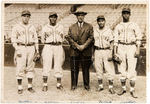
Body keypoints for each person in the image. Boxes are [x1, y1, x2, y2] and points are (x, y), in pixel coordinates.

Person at [114, 8, 142, 98]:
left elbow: (138, 38)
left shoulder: (134, 25)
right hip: (121, 47)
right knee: (121, 67)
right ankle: (123, 88)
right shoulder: (118, 26)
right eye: (124, 13)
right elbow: (115, 41)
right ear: (122, 14)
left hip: (131, 46)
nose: (126, 15)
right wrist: (115, 52)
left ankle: (132, 90)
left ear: (130, 14)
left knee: (132, 67)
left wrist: (137, 50)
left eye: (127, 13)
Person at [11, 10, 39, 94]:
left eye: (28, 16)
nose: (26, 18)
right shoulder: (16, 27)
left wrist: (37, 50)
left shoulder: (32, 27)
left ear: (29, 17)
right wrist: (17, 49)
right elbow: (13, 39)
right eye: (24, 16)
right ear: (21, 17)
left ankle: (29, 86)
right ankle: (20, 87)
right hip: (21, 47)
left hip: (31, 48)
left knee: (31, 67)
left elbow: (36, 39)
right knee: (20, 67)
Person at [65, 11, 94, 91]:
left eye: (82, 15)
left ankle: (86, 85)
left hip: (85, 51)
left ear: (84, 16)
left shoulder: (89, 26)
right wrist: (77, 46)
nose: (80, 17)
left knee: (85, 69)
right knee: (74, 68)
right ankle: (74, 84)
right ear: (76, 17)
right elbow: (69, 38)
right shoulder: (71, 27)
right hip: (74, 51)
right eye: (79, 16)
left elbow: (91, 38)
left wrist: (84, 46)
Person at [41, 12, 65, 91]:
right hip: (48, 46)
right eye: (51, 17)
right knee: (46, 65)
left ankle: (58, 84)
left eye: (55, 17)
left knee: (58, 65)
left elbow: (63, 38)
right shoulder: (45, 28)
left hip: (58, 46)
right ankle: (45, 84)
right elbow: (42, 40)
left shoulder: (61, 27)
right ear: (49, 18)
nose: (53, 19)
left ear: (56, 18)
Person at [93, 15, 116, 94]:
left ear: (105, 21)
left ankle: (111, 87)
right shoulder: (95, 31)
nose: (101, 22)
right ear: (97, 22)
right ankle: (100, 86)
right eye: (99, 21)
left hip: (106, 50)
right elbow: (93, 43)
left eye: (102, 21)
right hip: (97, 50)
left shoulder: (108, 30)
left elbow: (112, 42)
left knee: (109, 69)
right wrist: (93, 54)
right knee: (98, 69)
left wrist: (111, 52)